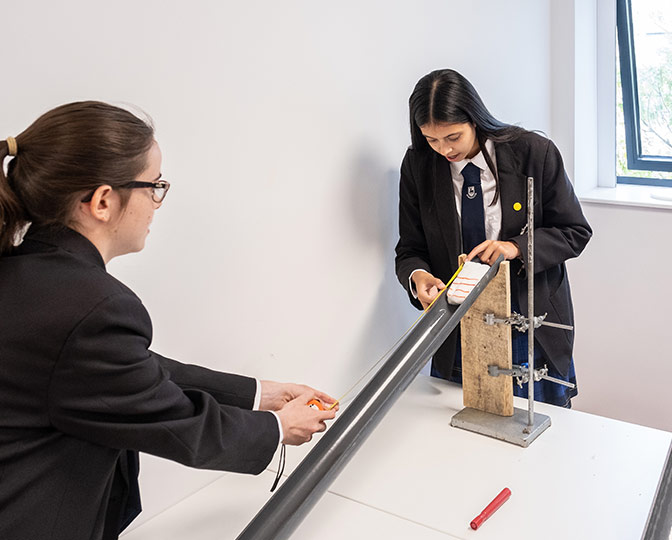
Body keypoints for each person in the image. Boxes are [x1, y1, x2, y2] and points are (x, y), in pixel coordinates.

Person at [0, 101, 339, 540]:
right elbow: (179, 425)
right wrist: (278, 427)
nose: (158, 202)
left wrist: (259, 395)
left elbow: (132, 370)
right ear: (103, 201)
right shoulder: (94, 307)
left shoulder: (28, 275)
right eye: (154, 186)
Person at [394, 69, 592, 408]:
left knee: (543, 429)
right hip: (456, 325)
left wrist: (515, 246)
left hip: (526, 317)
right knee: (460, 430)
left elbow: (575, 232)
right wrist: (419, 278)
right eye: (432, 140)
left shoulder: (534, 152)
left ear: (474, 117)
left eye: (453, 137)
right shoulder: (419, 166)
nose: (444, 150)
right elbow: (410, 249)